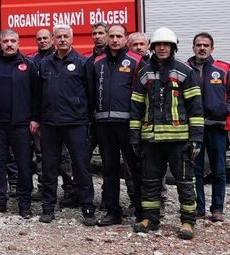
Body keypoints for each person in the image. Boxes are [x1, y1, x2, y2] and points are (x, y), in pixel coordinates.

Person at [131, 27, 204, 239]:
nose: (162, 48)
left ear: (173, 47)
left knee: (185, 183)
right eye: (158, 45)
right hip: (151, 140)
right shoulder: (144, 73)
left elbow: (195, 108)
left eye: (166, 45)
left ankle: (188, 222)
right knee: (150, 182)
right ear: (153, 47)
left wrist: (196, 138)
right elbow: (136, 107)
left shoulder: (185, 72)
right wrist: (135, 137)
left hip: (179, 140)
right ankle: (150, 219)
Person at [35, 24, 96, 226]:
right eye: (58, 36)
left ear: (72, 38)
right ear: (53, 39)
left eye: (65, 36)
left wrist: (84, 116)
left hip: (75, 123)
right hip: (50, 123)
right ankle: (47, 208)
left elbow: (91, 93)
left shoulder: (82, 63)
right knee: (49, 167)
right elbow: (38, 94)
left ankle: (88, 208)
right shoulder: (45, 63)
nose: (62, 39)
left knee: (81, 166)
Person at [87, 24, 143, 226]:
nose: (115, 40)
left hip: (128, 124)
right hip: (104, 125)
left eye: (119, 36)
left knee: (135, 169)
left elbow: (142, 94)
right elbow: (91, 93)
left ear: (126, 38)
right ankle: (113, 212)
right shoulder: (97, 62)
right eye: (111, 36)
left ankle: (141, 211)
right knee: (109, 170)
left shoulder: (137, 61)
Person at [0, 29, 40, 219]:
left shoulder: (28, 65)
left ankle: (24, 204)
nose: (9, 44)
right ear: (0, 43)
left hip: (21, 125)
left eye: (13, 41)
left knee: (24, 165)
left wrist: (35, 118)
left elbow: (36, 94)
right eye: (6, 41)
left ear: (18, 43)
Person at [187, 32, 228, 222]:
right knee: (195, 170)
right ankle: (199, 208)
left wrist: (224, 112)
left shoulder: (223, 69)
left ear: (212, 48)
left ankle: (217, 209)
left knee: (219, 170)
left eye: (205, 45)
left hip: (217, 128)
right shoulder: (185, 69)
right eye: (198, 45)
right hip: (193, 128)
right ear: (193, 47)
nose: (202, 48)